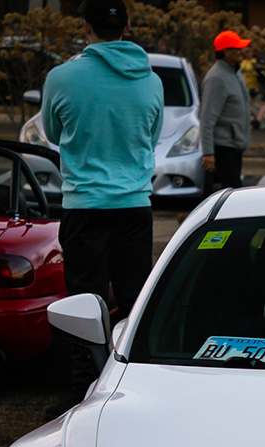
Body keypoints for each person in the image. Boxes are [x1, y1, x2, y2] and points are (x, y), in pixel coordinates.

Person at [39, 0, 164, 417]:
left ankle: (82, 392)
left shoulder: (62, 77)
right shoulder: (151, 80)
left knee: (83, 303)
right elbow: (152, 134)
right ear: (126, 26)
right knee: (133, 301)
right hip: (134, 203)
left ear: (86, 27)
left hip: (85, 204)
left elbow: (53, 132)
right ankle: (135, 387)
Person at [200, 30, 253, 192]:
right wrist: (208, 153)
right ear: (225, 52)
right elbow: (207, 119)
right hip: (222, 148)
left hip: (234, 147)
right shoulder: (216, 78)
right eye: (237, 48)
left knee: (231, 194)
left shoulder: (235, 73)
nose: (241, 52)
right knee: (231, 194)